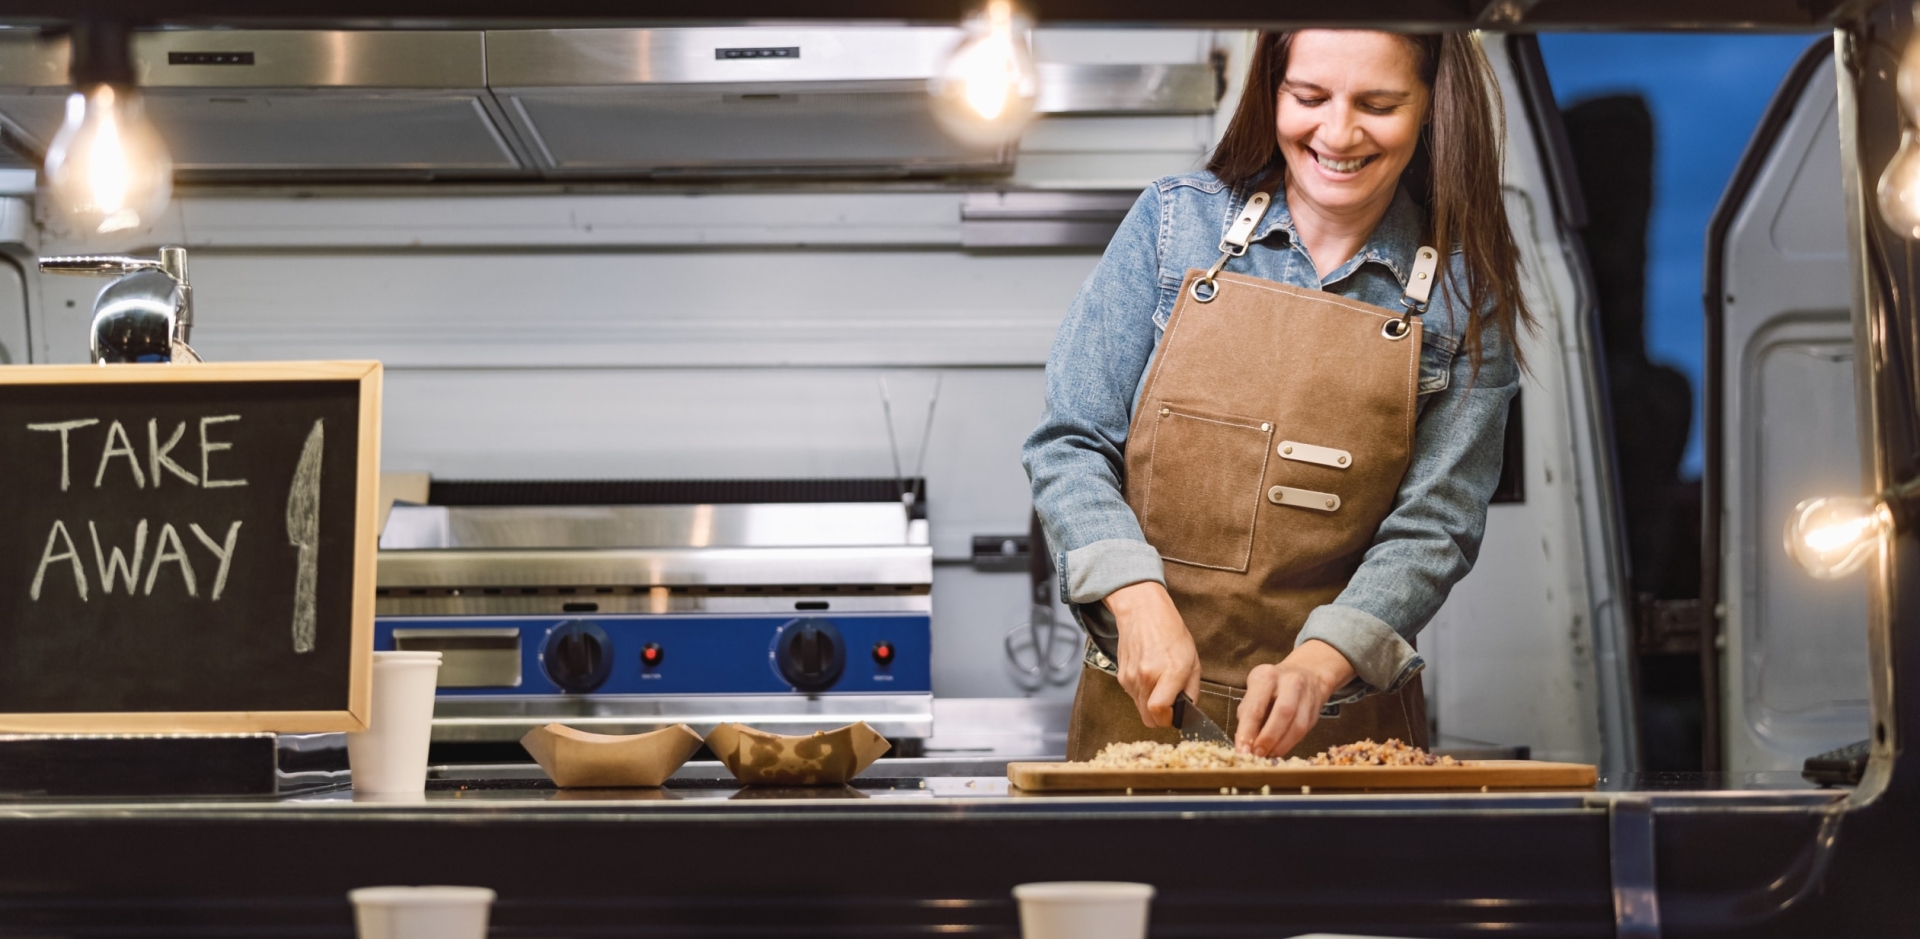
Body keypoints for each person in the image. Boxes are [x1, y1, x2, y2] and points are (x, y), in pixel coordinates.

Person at [1022, 29, 1530, 761]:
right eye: (1310, 97)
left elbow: (1437, 524)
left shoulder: (1463, 295)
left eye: (1379, 103)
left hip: (1342, 730)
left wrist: (1318, 663)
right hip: (1141, 718)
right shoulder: (1173, 225)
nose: (1339, 132)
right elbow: (1070, 440)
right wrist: (1136, 599)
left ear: (1430, 107)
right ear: (1271, 92)